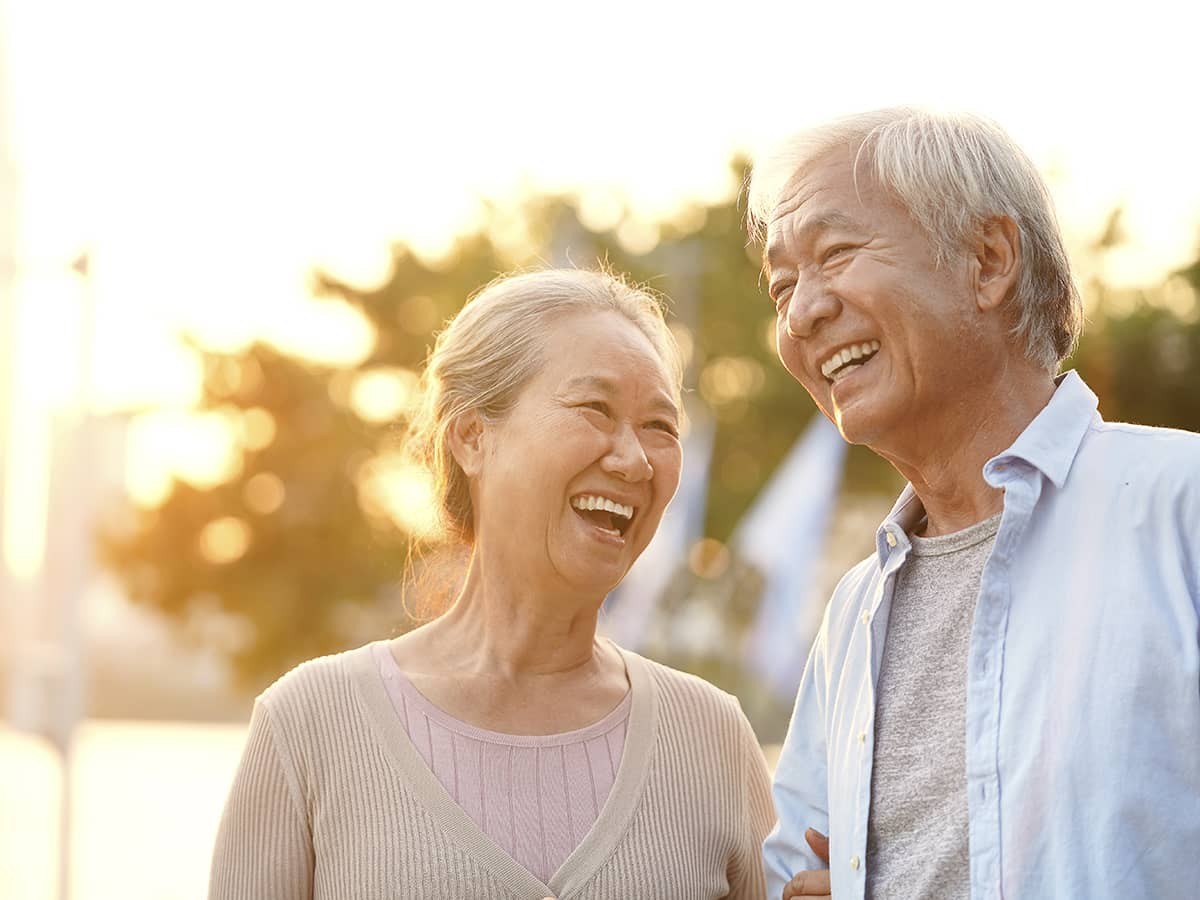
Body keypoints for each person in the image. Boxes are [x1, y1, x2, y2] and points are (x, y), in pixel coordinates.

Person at [746, 108, 1200, 899]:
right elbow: (796, 871)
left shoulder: (1182, 507)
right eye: (783, 286)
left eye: (837, 253)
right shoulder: (854, 612)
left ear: (988, 261)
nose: (802, 312)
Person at [208, 268, 775, 899]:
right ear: (474, 437)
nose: (635, 459)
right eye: (595, 408)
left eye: (661, 427)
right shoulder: (310, 726)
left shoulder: (711, 738)